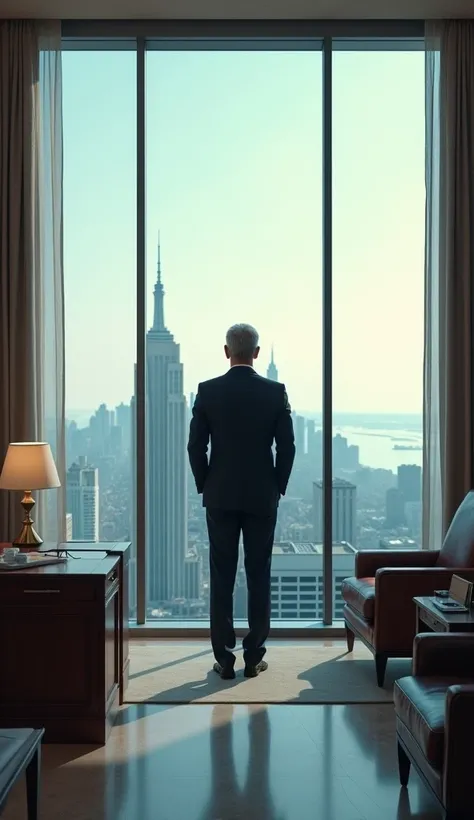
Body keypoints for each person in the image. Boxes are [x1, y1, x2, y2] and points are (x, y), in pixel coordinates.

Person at [187, 324, 295, 680]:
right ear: (257, 353)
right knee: (258, 574)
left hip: (220, 496)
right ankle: (253, 658)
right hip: (262, 496)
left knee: (222, 577)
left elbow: (195, 447)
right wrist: (277, 486)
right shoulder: (274, 392)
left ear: (226, 351)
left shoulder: (208, 391)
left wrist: (206, 484)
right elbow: (287, 447)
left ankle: (224, 660)